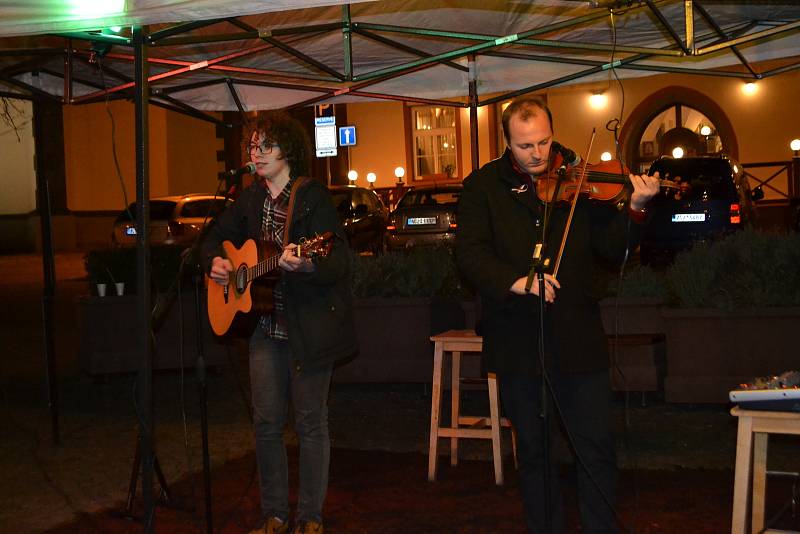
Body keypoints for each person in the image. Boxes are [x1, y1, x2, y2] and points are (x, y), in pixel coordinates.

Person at [455, 96, 660, 533]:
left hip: (577, 339)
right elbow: (470, 255)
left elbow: (612, 249)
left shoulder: (579, 180)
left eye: (545, 143)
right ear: (507, 142)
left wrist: (637, 208)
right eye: (526, 146)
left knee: (596, 449)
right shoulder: (482, 187)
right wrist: (517, 280)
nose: (538, 154)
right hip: (517, 343)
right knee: (534, 453)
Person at [202, 111, 357, 534]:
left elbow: (338, 259)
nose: (257, 154)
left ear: (287, 151)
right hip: (264, 331)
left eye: (265, 146)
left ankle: (310, 519)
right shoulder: (249, 200)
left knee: (310, 422)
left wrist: (305, 265)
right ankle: (273, 516)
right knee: (266, 423)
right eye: (253, 146)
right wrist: (216, 261)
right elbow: (213, 236)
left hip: (308, 330)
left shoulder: (311, 198)